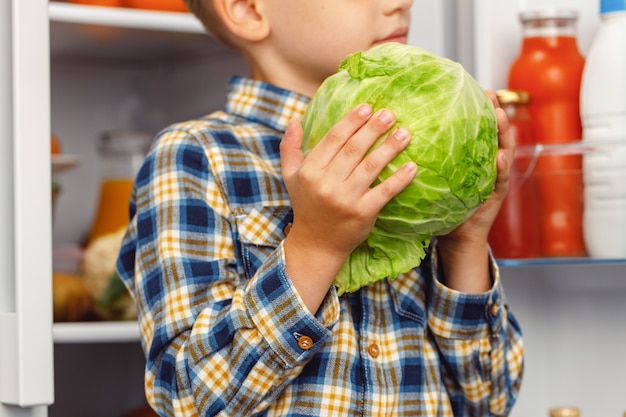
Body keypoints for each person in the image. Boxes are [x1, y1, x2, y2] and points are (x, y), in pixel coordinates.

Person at [116, 0, 524, 415]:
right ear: (248, 10)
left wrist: (465, 241)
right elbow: (186, 398)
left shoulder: (414, 155)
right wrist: (316, 244)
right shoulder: (197, 155)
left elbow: (490, 400)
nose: (401, 3)